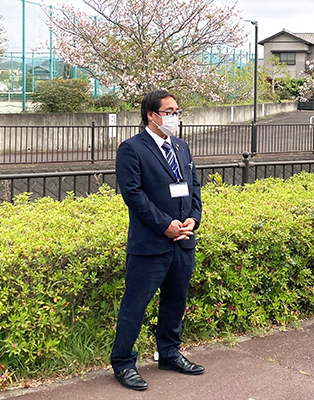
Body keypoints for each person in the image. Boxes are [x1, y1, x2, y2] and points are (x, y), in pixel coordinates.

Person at [111, 89, 204, 391]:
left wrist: (193, 217)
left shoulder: (181, 147)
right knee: (135, 305)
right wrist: (165, 226)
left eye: (177, 111)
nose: (174, 117)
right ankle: (124, 362)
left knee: (176, 301)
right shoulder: (132, 149)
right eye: (169, 112)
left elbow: (194, 187)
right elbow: (133, 195)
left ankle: (169, 353)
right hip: (150, 244)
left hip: (183, 241)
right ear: (151, 115)